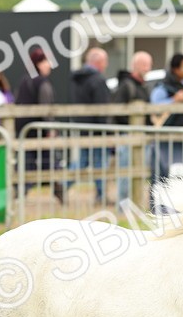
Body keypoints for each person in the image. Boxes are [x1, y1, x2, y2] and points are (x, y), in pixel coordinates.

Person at [14, 47, 63, 202]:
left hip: (25, 131)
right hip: (39, 132)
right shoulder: (42, 83)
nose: (49, 65)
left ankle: (20, 193)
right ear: (38, 64)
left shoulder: (24, 80)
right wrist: (50, 129)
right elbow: (46, 107)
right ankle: (57, 189)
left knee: (26, 164)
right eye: (46, 62)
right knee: (49, 163)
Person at [69, 48, 112, 203]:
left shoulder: (76, 79)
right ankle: (101, 195)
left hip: (81, 126)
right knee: (100, 161)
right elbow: (103, 107)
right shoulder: (98, 80)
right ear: (99, 62)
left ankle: (63, 183)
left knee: (82, 160)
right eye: (105, 61)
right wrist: (106, 130)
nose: (106, 65)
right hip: (96, 127)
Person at [150, 53, 183, 182]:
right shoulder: (163, 86)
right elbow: (155, 107)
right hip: (171, 138)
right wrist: (174, 100)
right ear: (175, 69)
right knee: (167, 174)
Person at [110, 51, 153, 202]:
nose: (148, 68)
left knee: (139, 173)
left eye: (149, 65)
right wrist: (131, 126)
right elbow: (117, 111)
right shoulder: (126, 86)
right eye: (144, 65)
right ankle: (123, 206)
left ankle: (135, 203)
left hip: (142, 136)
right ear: (135, 65)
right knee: (125, 172)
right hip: (127, 136)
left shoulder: (144, 86)